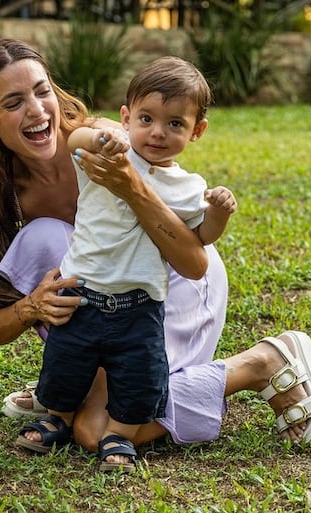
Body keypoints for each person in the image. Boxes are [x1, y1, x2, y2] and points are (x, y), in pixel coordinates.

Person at [0, 38, 311, 470]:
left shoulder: (108, 144)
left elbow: (194, 264)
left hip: (168, 284)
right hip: (100, 307)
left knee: (93, 433)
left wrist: (129, 185)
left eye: (42, 91)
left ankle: (260, 363)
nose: (37, 111)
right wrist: (31, 306)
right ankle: (79, 377)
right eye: (13, 102)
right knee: (42, 236)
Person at [18, 56, 237, 471]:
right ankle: (56, 419)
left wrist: (219, 213)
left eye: (175, 124)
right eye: (147, 118)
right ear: (126, 117)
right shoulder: (108, 155)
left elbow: (200, 241)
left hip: (142, 304)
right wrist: (104, 140)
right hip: (83, 292)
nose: (157, 132)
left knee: (139, 374)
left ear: (197, 131)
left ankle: (119, 435)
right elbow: (75, 140)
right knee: (66, 362)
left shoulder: (190, 187)